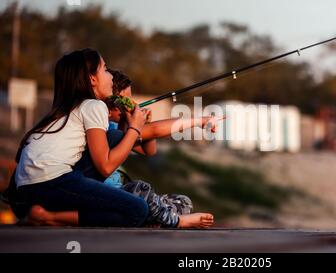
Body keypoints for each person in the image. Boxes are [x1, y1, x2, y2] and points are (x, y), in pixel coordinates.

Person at [9, 48, 214, 228]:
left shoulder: (63, 111)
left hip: (25, 193)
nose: (110, 76)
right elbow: (105, 167)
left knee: (133, 204)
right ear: (92, 79)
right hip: (52, 183)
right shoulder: (93, 106)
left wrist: (133, 126)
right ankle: (50, 217)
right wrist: (135, 127)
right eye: (105, 69)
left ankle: (47, 215)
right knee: (137, 210)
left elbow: (147, 147)